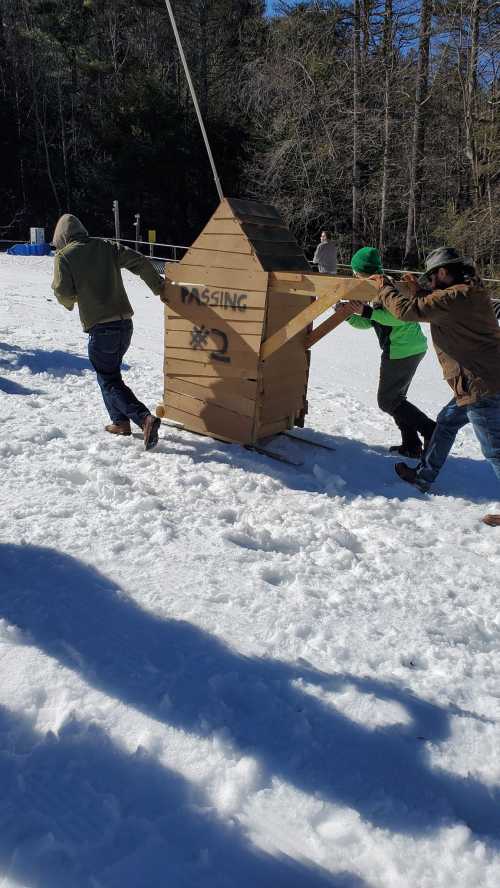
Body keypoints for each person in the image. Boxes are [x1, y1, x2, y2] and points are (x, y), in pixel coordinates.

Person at [369, 246, 500, 527]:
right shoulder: (467, 292)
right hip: (479, 379)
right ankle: (423, 477)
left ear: (443, 272)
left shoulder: (455, 297)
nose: (430, 282)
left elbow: (406, 311)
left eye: (431, 277)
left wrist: (385, 288)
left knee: (494, 450)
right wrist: (417, 290)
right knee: (446, 422)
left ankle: (424, 477)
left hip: (481, 385)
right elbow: (432, 305)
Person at [51, 213, 165, 450]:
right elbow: (140, 261)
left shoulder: (65, 256)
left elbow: (63, 292)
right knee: (109, 375)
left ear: (61, 237)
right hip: (125, 325)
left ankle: (144, 418)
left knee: (109, 379)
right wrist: (159, 287)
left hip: (102, 329)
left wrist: (71, 300)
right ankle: (120, 422)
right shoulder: (106, 246)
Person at [337, 246, 435, 457]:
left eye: (356, 273)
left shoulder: (385, 286)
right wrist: (348, 315)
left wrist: (365, 311)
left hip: (402, 349)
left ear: (361, 271)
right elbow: (371, 322)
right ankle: (411, 444)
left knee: (388, 401)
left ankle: (430, 430)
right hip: (408, 347)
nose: (354, 276)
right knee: (397, 399)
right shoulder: (376, 287)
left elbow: (396, 317)